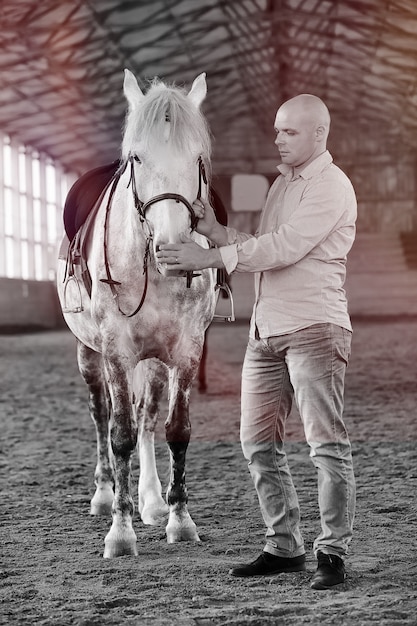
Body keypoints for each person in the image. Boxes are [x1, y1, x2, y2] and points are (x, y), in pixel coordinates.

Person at [156, 94, 357, 590]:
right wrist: (214, 230)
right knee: (257, 444)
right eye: (277, 131)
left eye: (289, 132)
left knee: (325, 446)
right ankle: (283, 545)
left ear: (318, 135)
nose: (278, 140)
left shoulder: (332, 186)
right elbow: (258, 242)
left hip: (314, 329)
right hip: (265, 332)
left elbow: (284, 248)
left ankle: (331, 552)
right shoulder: (283, 185)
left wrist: (206, 258)